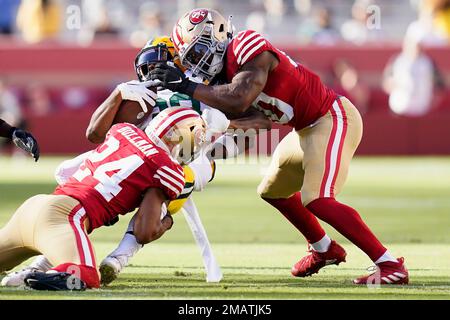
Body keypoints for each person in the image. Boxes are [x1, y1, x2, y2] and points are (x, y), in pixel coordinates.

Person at [148, 8, 409, 285]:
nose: (199, 63)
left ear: (219, 36)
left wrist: (187, 87)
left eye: (200, 52)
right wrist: (200, 153)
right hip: (304, 130)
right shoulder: (219, 83)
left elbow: (238, 98)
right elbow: (255, 126)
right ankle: (323, 248)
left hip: (332, 117)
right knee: (273, 191)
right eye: (192, 58)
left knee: (317, 198)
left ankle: (389, 264)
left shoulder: (246, 46)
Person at [0, 107, 206, 290]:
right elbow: (144, 232)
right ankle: (33, 276)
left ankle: (34, 272)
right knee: (85, 276)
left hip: (34, 206)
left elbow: (63, 172)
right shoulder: (166, 169)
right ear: (182, 138)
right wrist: (166, 222)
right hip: (64, 217)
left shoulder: (122, 131)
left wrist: (102, 202)